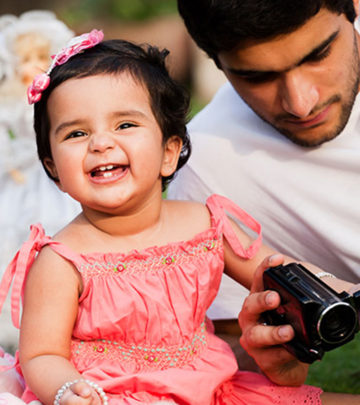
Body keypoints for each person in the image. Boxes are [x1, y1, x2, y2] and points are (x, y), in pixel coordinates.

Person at [0, 28, 358, 405]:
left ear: (169, 152)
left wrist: (340, 291)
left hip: (212, 391)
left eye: (124, 125)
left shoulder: (205, 224)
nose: (100, 143)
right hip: (112, 396)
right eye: (76, 133)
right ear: (53, 168)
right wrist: (66, 391)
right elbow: (41, 354)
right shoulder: (61, 259)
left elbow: (278, 270)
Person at [169, 0, 360, 360]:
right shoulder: (207, 167)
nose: (301, 104)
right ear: (217, 63)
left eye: (317, 55)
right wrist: (274, 369)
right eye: (257, 77)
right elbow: (231, 349)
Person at [0, 11, 81, 350]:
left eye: (38, 57)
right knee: (11, 235)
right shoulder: (10, 104)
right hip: (19, 181)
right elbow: (8, 140)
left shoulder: (55, 99)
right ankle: (15, 319)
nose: (29, 66)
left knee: (59, 231)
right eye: (24, 58)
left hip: (53, 179)